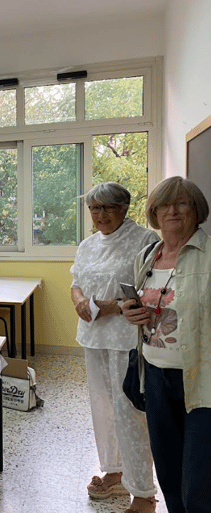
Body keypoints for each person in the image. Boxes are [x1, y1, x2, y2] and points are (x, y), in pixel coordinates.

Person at [121, 176, 211, 513]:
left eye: (181, 203)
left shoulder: (209, 254)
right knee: (170, 475)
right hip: (155, 376)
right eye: (163, 205)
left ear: (196, 209)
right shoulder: (147, 255)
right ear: (154, 213)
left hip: (201, 381)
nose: (171, 210)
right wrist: (129, 312)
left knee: (199, 486)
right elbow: (142, 306)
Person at [70, 183, 158, 513]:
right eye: (94, 208)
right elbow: (75, 281)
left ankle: (144, 492)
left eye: (108, 207)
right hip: (93, 336)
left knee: (130, 413)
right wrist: (80, 301)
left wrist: (107, 306)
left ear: (124, 208)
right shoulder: (88, 244)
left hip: (127, 340)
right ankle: (115, 473)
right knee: (103, 408)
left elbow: (152, 291)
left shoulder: (144, 240)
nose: (100, 215)